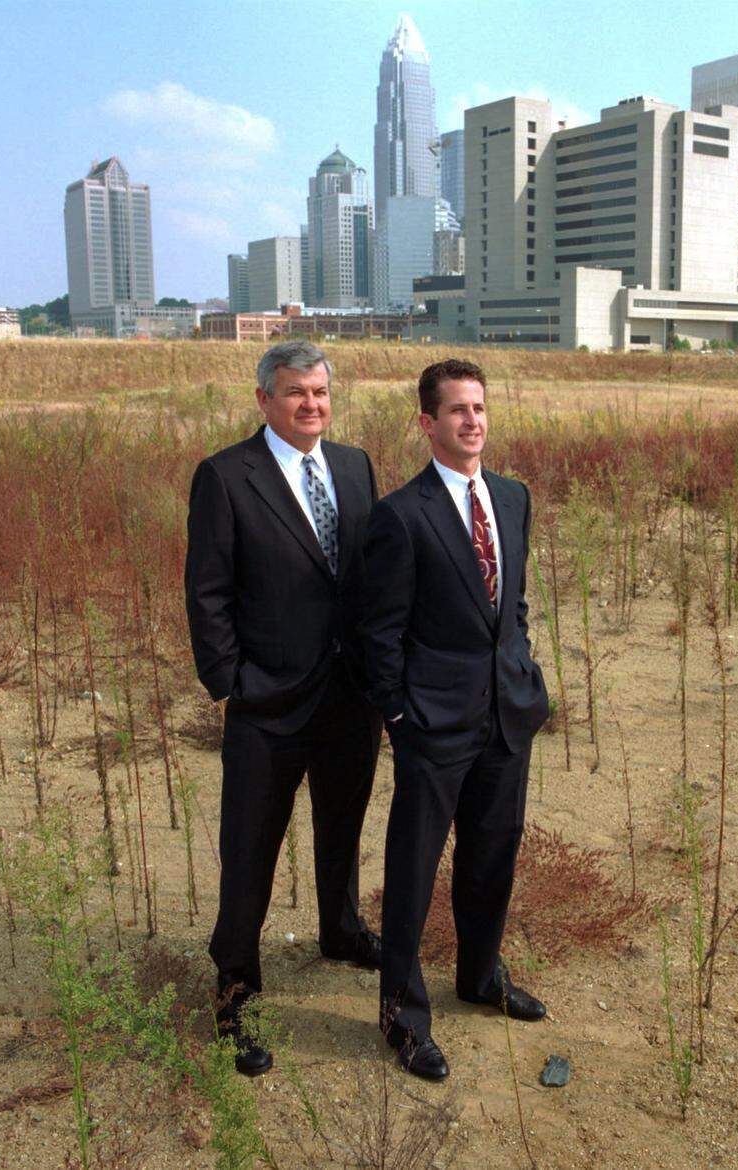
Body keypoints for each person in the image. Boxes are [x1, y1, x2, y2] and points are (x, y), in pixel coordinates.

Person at [184, 340, 383, 1076]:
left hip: (348, 698)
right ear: (264, 399)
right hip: (268, 702)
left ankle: (341, 930)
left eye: (321, 393)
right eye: (297, 392)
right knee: (250, 848)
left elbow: (367, 576)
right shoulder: (226, 476)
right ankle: (235, 982)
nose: (311, 405)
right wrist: (234, 680)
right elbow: (207, 592)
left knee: (342, 827)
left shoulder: (356, 467)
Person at [362, 358, 551, 1080]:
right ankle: (402, 1017)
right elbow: (381, 632)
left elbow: (514, 605)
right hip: (432, 724)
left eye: (479, 408)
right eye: (456, 411)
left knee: (492, 854)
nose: (472, 421)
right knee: (413, 870)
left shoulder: (512, 497)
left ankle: (480, 975)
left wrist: (523, 674)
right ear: (427, 423)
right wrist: (401, 714)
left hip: (506, 715)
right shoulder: (401, 515)